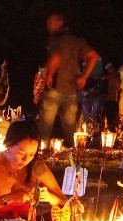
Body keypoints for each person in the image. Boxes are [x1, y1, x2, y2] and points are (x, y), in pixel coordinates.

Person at [0, 120, 65, 218]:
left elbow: (64, 202)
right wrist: (11, 198)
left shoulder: (36, 167)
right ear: (7, 145)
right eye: (21, 153)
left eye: (32, 154)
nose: (26, 160)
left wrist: (50, 197)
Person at [36, 12, 98, 147]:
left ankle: (41, 152)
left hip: (54, 88)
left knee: (45, 126)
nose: (47, 25)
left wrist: (49, 74)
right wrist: (84, 77)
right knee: (70, 128)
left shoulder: (55, 39)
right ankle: (73, 153)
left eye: (50, 22)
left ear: (59, 23)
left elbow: (56, 56)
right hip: (71, 90)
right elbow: (94, 56)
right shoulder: (76, 41)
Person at [77, 56, 107, 127]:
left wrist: (101, 77)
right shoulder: (81, 63)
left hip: (99, 91)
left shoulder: (103, 61)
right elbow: (78, 76)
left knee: (95, 114)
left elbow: (113, 74)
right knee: (86, 114)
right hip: (85, 91)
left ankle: (94, 129)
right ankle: (88, 129)